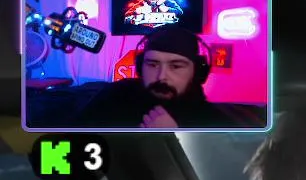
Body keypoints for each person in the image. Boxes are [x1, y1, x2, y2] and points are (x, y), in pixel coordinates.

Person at [71, 26, 261, 129]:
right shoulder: (115, 95)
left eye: (176, 66)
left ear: (197, 72)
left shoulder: (213, 121)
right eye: (152, 64)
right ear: (140, 66)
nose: (161, 76)